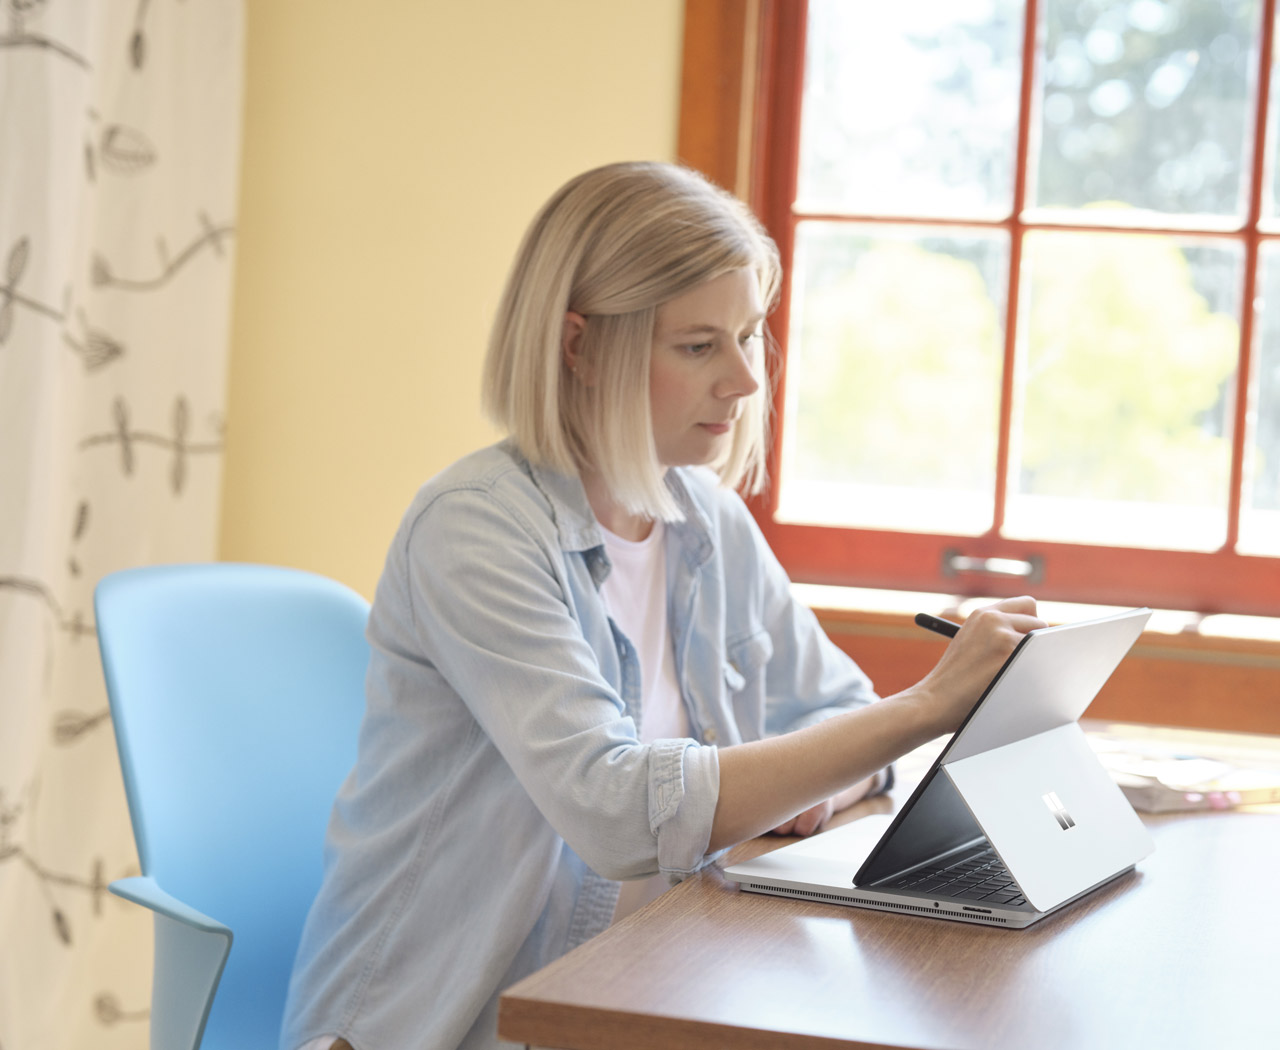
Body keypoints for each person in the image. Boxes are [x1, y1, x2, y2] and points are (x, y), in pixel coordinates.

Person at [280, 161, 1043, 1050]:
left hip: (649, 984)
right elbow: (616, 812)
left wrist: (819, 780)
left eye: (750, 335)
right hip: (449, 1027)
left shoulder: (703, 520)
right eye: (697, 346)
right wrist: (926, 711)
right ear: (579, 346)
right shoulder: (476, 531)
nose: (745, 380)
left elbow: (835, 708)